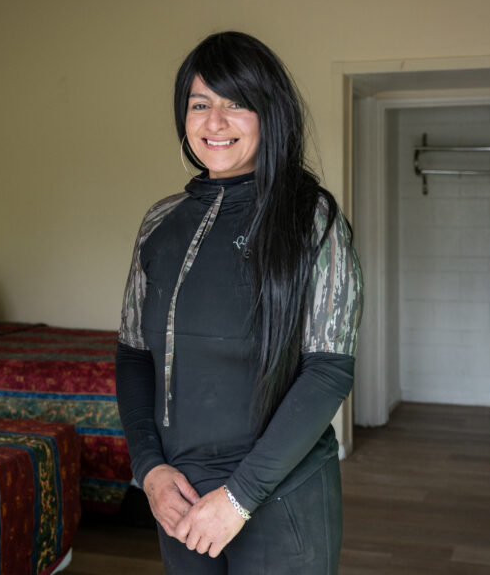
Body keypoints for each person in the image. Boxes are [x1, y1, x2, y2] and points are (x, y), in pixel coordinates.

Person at [115, 31, 363, 574]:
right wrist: (150, 470)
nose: (214, 122)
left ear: (269, 114)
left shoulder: (313, 221)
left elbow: (328, 372)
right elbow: (134, 355)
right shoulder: (159, 224)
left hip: (281, 493)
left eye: (236, 103)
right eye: (200, 104)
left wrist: (238, 498)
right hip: (179, 496)